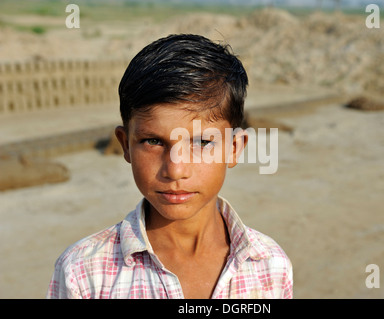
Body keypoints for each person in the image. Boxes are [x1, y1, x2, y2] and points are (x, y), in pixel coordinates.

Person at [46, 34, 293, 299]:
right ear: (125, 145)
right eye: (153, 141)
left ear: (234, 149)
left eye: (201, 142)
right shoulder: (83, 273)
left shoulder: (269, 266)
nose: (175, 171)